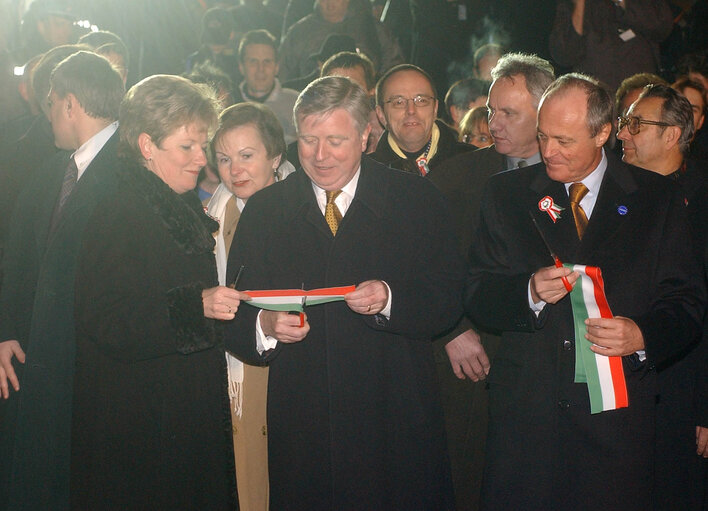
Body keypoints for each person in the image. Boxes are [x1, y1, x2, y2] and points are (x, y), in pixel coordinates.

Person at [224, 76, 465, 510]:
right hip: (304, 425)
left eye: (335, 140)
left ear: (366, 135)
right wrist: (265, 324)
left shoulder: (416, 200)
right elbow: (232, 315)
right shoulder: (265, 211)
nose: (320, 156)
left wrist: (390, 299)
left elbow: (449, 298)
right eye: (309, 140)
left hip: (395, 418)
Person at [466, 73, 705, 510]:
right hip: (527, 423)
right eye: (542, 136)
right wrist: (528, 292)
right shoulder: (507, 194)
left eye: (564, 140)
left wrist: (642, 335)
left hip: (616, 428)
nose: (548, 151)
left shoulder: (657, 199)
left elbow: (687, 304)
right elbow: (477, 292)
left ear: (603, 133)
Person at [69, 75, 244, 510]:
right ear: (147, 145)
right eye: (187, 147)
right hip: (139, 424)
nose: (201, 159)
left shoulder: (170, 199)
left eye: (202, 146)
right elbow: (104, 318)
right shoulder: (119, 208)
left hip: (173, 412)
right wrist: (195, 305)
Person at [425, 52, 555, 511]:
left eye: (508, 113)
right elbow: (422, 266)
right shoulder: (454, 177)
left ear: (546, 113)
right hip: (470, 366)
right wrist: (452, 328)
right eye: (492, 109)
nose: (493, 122)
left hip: (546, 375)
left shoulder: (572, 178)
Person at [0, 50, 124, 511]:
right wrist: (7, 328)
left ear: (70, 104)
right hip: (37, 364)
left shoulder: (132, 169)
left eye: (51, 101)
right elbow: (19, 259)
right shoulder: (53, 170)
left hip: (94, 376)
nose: (46, 112)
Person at [616, 84, 708, 511]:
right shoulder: (619, 193)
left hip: (685, 392)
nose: (622, 134)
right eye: (623, 122)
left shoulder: (702, 199)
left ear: (672, 134)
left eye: (636, 124)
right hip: (628, 390)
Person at [207, 102, 295, 511]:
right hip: (234, 363)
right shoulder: (211, 215)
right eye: (224, 159)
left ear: (275, 157)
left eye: (247, 155)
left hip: (293, 363)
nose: (234, 169)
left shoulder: (304, 208)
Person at [371, 64, 473, 176]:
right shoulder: (365, 174)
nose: (411, 110)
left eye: (421, 101)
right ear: (381, 114)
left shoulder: (473, 162)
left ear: (435, 108)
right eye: (399, 102)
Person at [549, 0, 673, 90]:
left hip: (639, 92)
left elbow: (662, 27)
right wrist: (579, 5)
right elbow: (563, 54)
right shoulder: (569, 5)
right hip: (596, 95)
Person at [278, 0, 403, 82]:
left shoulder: (370, 28)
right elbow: (284, 71)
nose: (329, 2)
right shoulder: (300, 32)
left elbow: (393, 64)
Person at [233, 29, 299, 144]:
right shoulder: (230, 102)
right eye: (253, 61)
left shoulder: (296, 103)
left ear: (277, 67)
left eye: (267, 61)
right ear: (241, 67)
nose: (261, 69)